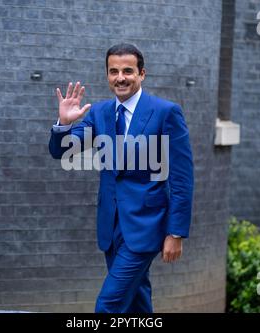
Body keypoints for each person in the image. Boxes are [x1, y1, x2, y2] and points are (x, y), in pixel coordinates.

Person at [49, 43, 194, 313]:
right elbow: (62, 151)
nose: (120, 77)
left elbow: (182, 179)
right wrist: (65, 124)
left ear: (142, 74)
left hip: (146, 225)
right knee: (136, 303)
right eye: (113, 71)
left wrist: (176, 232)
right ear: (107, 75)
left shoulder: (166, 112)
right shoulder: (99, 113)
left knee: (108, 305)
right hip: (111, 225)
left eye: (128, 70)